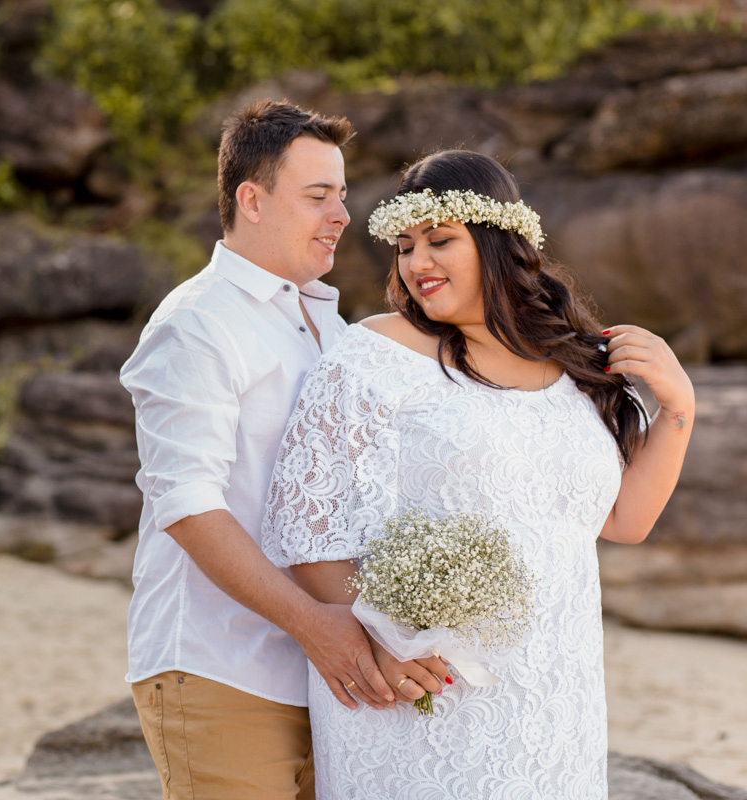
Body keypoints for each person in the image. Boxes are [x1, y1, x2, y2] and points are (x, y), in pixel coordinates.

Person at [262, 148, 695, 798]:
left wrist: (680, 407)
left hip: (555, 696)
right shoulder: (373, 355)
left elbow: (624, 521)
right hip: (421, 685)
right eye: (405, 246)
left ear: (500, 243)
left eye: (440, 241)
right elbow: (305, 527)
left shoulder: (580, 369)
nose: (417, 264)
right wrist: (384, 641)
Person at [119, 100, 443, 799]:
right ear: (252, 200)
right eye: (318, 196)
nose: (342, 215)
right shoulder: (198, 323)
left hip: (329, 674)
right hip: (221, 666)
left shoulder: (331, 326)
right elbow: (186, 503)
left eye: (344, 196)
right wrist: (318, 624)